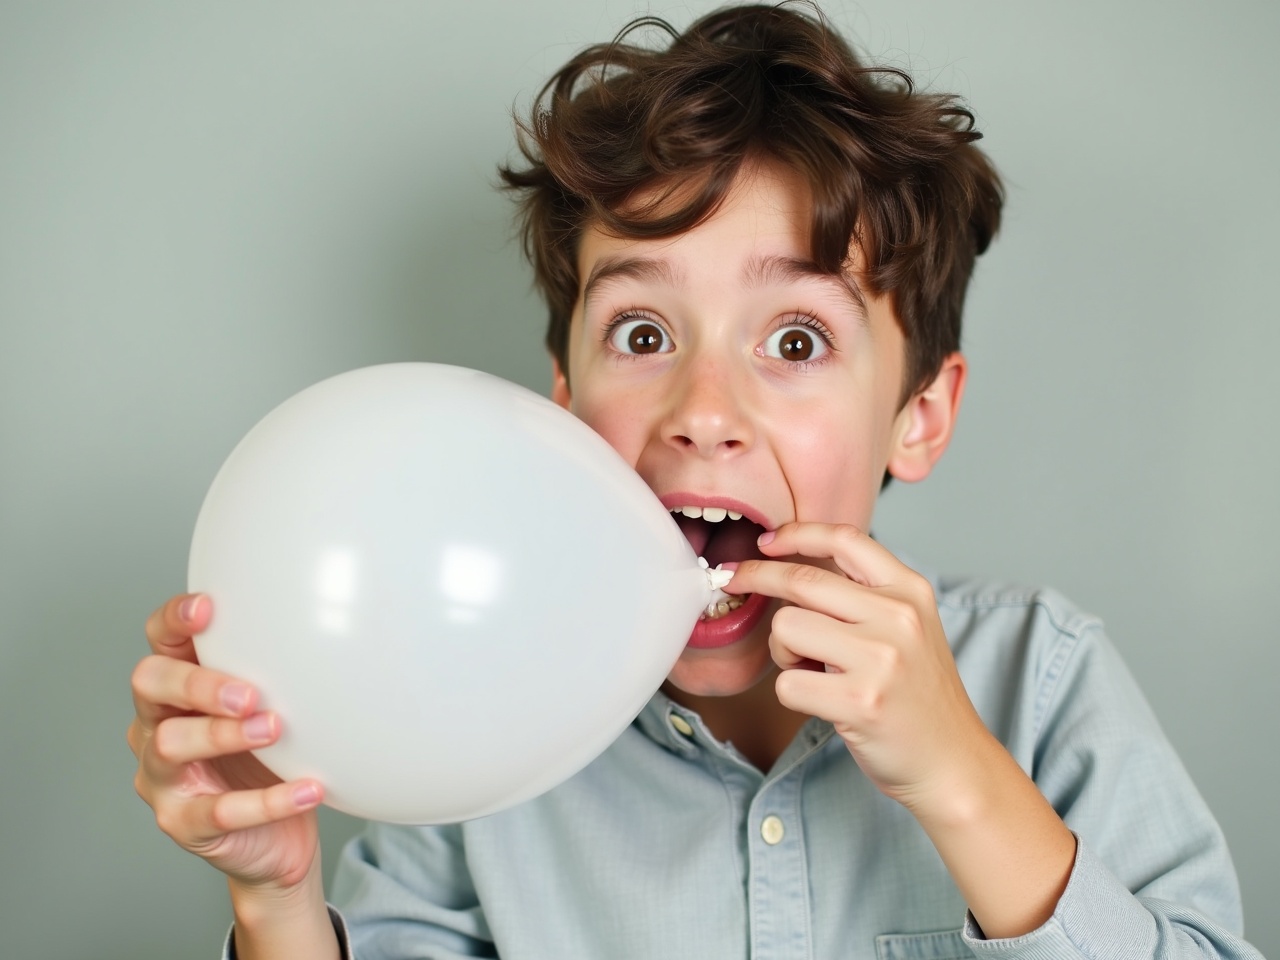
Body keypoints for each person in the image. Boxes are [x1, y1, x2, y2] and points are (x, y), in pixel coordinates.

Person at [127, 5, 1264, 958]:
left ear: (915, 417)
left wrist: (963, 783)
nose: (703, 414)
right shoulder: (477, 727)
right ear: (557, 415)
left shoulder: (1042, 682)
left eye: (796, 342)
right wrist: (274, 897)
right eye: (639, 333)